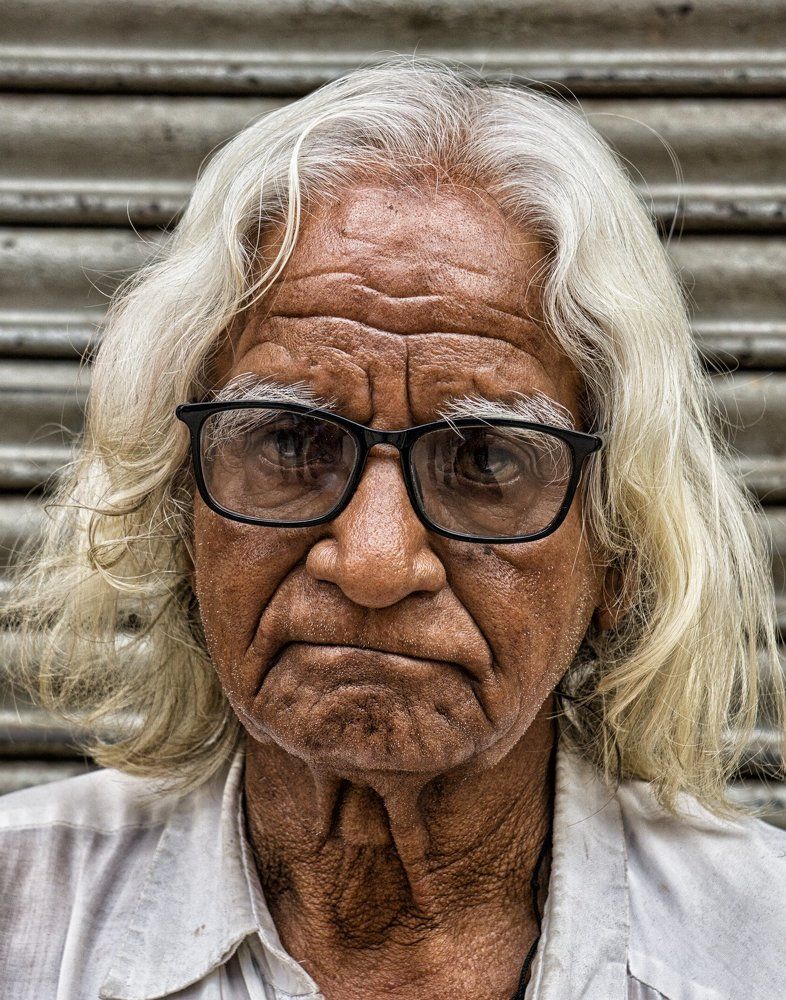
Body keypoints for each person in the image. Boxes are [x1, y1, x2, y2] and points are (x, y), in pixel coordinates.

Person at [1, 58, 785, 1000]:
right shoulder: (25, 923)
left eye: (486, 460)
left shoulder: (759, 948)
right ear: (180, 510)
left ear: (618, 550)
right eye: (291, 441)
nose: (374, 562)